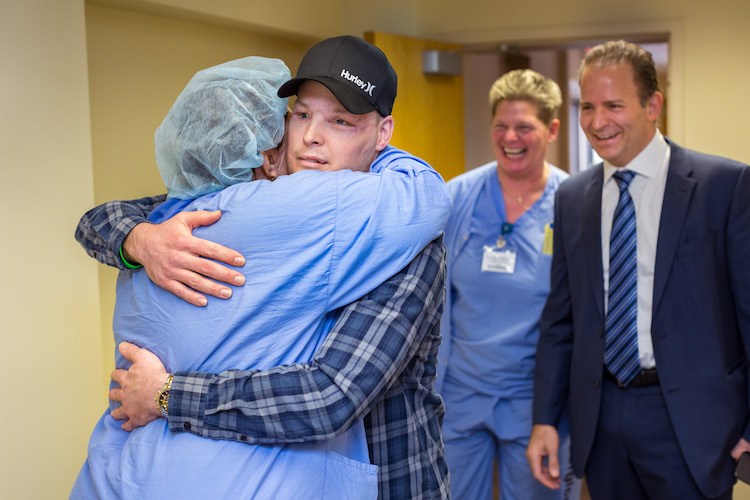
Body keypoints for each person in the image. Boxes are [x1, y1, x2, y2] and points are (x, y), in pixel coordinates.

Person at [74, 35, 451, 499]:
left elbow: (328, 396)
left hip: (389, 473)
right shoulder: (240, 203)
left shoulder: (406, 236)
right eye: (302, 115)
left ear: (383, 132)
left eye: (342, 122)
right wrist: (139, 239)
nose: (314, 136)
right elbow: (127, 211)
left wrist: (166, 394)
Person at [526, 40, 750, 500]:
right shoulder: (573, 198)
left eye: (613, 105)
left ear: (653, 106)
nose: (596, 121)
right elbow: (560, 322)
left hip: (693, 425)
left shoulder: (724, 187)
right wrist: (545, 419)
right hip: (603, 420)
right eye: (587, 106)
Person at [436, 69, 578, 500]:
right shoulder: (458, 197)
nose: (510, 137)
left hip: (538, 401)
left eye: (524, 127)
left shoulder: (573, 203)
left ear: (552, 129)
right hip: (460, 393)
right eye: (501, 126)